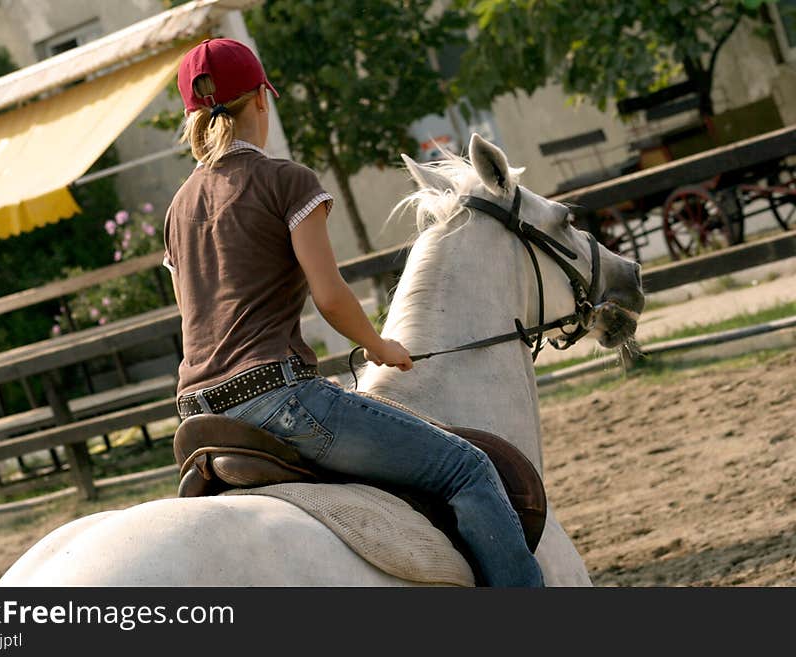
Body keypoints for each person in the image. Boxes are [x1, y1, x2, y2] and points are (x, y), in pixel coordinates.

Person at [163, 37, 543, 587]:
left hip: (200, 417)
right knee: (468, 469)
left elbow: (193, 320)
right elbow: (331, 295)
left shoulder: (177, 208)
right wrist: (379, 346)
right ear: (262, 103)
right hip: (282, 401)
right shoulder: (286, 181)